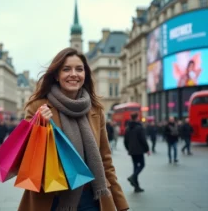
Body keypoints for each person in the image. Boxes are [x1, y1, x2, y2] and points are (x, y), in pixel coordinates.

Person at [19, 48, 129, 211]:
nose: (73, 74)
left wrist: (121, 204)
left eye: (79, 69)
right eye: (66, 69)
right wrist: (40, 125)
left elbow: (105, 159)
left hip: (92, 197)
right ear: (56, 75)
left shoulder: (95, 109)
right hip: (52, 198)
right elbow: (25, 153)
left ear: (85, 75)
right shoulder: (38, 106)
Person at [124, 113, 150, 193]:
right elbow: (143, 140)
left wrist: (129, 149)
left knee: (135, 167)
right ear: (137, 118)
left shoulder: (128, 128)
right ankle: (133, 177)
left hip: (132, 151)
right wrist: (147, 149)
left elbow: (125, 141)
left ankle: (136, 186)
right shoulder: (139, 128)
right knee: (142, 165)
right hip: (139, 151)